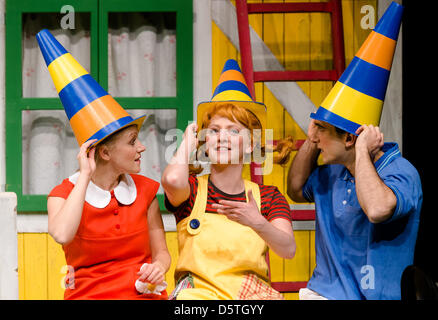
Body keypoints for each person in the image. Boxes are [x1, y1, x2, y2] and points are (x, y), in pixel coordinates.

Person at [287, 2, 423, 300]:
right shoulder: (330, 172)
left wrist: (362, 152)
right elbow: (296, 189)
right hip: (321, 294)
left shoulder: (401, 172)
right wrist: (311, 141)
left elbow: (377, 209)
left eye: (322, 131)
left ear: (350, 139)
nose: (316, 137)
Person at [38, 29, 170, 300]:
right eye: (133, 141)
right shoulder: (62, 194)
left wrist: (159, 267)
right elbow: (62, 233)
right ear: (105, 153)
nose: (141, 147)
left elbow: (162, 253)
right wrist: (85, 175)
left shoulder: (146, 191)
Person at [162, 59, 296, 300]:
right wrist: (187, 142)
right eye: (214, 130)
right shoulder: (192, 191)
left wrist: (258, 222)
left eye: (233, 131)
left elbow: (287, 249)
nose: (221, 137)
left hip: (250, 298)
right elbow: (171, 179)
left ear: (251, 144)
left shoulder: (268, 197)